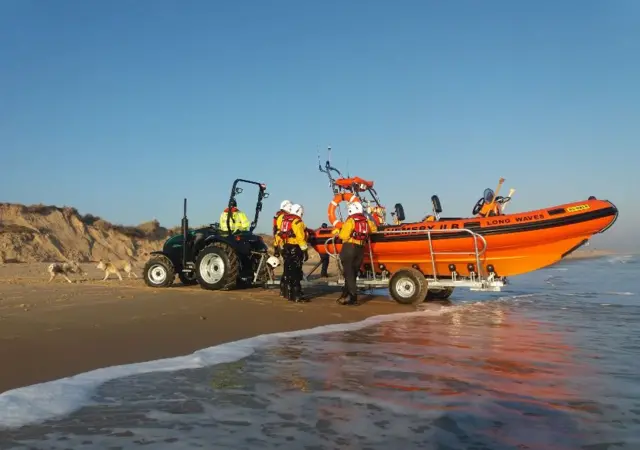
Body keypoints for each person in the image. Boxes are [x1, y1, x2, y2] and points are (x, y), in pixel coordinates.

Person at [332, 201, 378, 305]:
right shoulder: (366, 221)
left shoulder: (351, 221)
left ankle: (353, 298)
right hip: (360, 249)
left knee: (349, 274)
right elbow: (374, 230)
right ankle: (344, 295)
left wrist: (338, 231)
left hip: (349, 248)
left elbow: (343, 236)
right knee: (352, 273)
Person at [274, 203, 309, 302]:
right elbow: (300, 238)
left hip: (285, 248)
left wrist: (276, 246)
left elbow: (278, 234)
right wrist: (305, 251)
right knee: (296, 273)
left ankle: (287, 294)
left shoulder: (284, 220)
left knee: (287, 272)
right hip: (295, 248)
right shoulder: (297, 222)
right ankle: (297, 296)